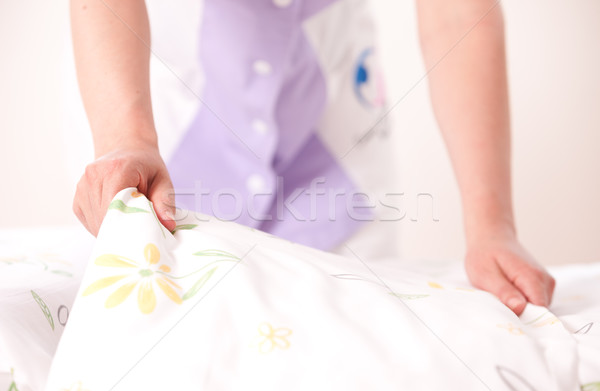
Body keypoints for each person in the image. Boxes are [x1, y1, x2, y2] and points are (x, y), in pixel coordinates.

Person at [70, 0, 555, 315]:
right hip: (178, 137)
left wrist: (493, 226)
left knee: (356, 334)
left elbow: (455, 14)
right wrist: (127, 138)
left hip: (338, 142)